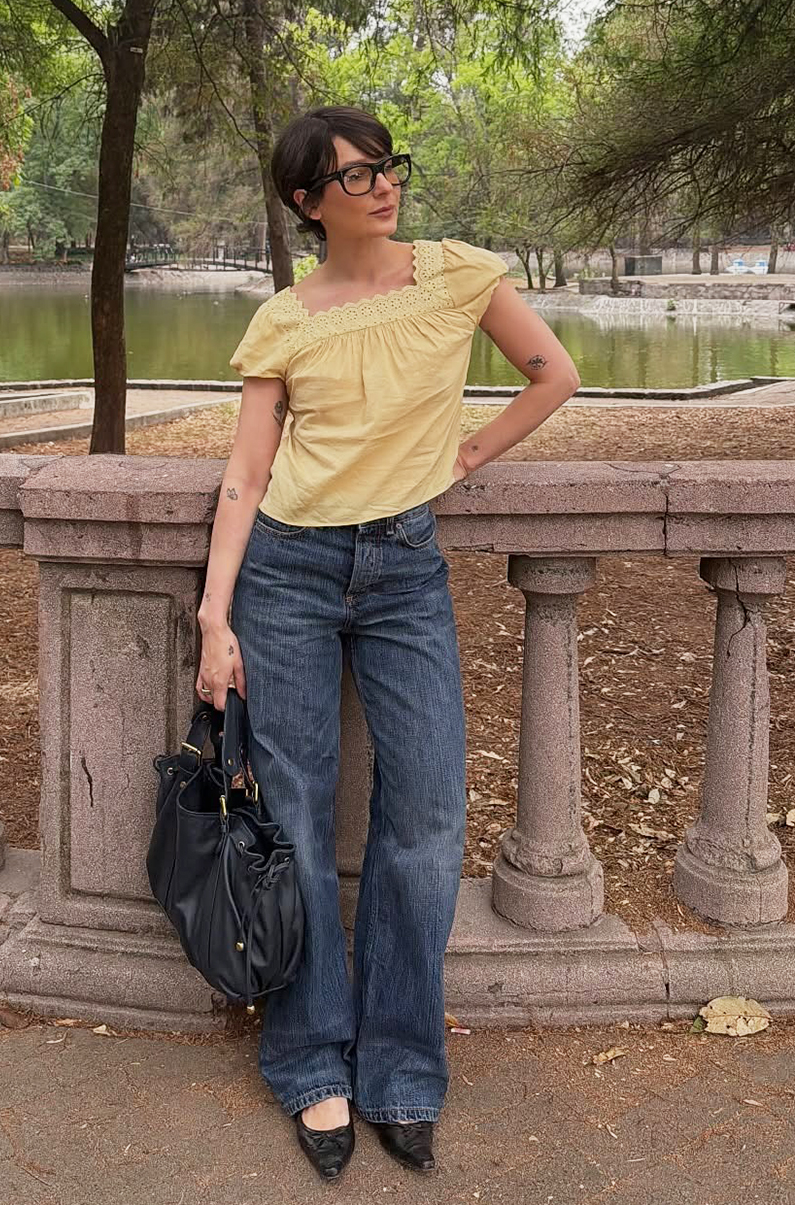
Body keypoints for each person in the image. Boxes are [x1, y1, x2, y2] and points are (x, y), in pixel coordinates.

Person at [195, 105, 581, 1181]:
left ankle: (404, 1063)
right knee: (298, 812)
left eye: (385, 166)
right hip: (288, 570)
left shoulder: (456, 276)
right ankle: (310, 1057)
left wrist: (462, 458)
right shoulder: (283, 320)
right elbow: (244, 476)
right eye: (352, 176)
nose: (380, 185)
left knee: (426, 810)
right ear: (307, 202)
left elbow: (553, 374)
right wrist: (213, 616)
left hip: (407, 570)